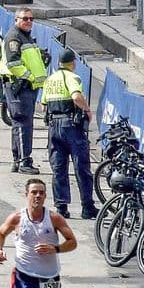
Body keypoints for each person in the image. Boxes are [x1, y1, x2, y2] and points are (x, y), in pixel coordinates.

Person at [41, 49, 96, 218]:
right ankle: (87, 207)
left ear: (59, 63)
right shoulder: (72, 77)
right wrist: (87, 109)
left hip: (53, 127)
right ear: (73, 63)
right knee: (81, 167)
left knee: (58, 168)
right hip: (71, 126)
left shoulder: (50, 80)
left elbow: (43, 106)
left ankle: (61, 207)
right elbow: (76, 97)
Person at [0, 7, 48, 173]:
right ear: (16, 20)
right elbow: (13, 63)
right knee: (22, 123)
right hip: (19, 86)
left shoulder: (25, 37)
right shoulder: (14, 37)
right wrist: (30, 77)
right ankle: (24, 161)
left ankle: (18, 160)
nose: (28, 22)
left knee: (21, 124)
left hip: (27, 87)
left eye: (31, 19)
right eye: (25, 18)